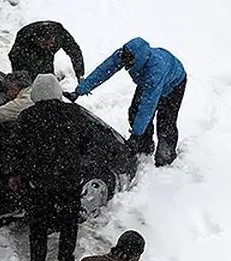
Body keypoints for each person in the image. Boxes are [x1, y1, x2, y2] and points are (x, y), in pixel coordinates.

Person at [6, 74, 89, 261]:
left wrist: (15, 173)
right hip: (70, 179)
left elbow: (16, 149)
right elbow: (87, 142)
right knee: (69, 223)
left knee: (39, 225)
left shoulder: (27, 116)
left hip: (40, 182)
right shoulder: (74, 113)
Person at [68, 37, 187, 167]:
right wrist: (80, 90)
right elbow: (104, 70)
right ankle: (144, 145)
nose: (125, 64)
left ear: (139, 59)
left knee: (165, 122)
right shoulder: (125, 55)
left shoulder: (154, 71)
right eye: (124, 60)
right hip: (147, 80)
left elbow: (147, 107)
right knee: (135, 112)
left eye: (128, 62)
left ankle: (166, 157)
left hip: (174, 84)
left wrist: (136, 134)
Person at [8, 20, 85, 83]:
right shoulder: (24, 38)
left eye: (51, 44)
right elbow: (14, 57)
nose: (48, 46)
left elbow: (75, 52)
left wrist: (79, 74)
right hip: (28, 56)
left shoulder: (61, 35)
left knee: (48, 79)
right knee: (31, 79)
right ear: (37, 39)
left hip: (47, 58)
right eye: (44, 44)